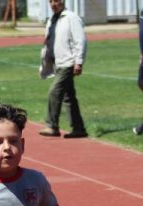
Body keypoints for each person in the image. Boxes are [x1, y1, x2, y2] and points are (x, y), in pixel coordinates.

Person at [39, 0, 88, 139]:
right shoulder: (52, 20)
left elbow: (80, 40)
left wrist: (79, 61)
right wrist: (45, 62)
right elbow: (49, 42)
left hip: (68, 63)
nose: (54, 4)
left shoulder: (71, 18)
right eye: (51, 1)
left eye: (57, 1)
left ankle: (52, 125)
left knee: (54, 92)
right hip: (58, 63)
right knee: (69, 97)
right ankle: (79, 128)